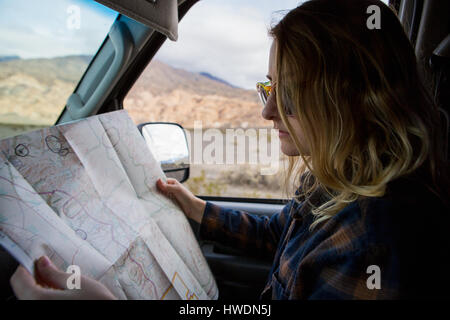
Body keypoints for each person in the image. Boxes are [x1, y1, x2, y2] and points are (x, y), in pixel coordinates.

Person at [10, 0, 449, 299]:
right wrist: (195, 206)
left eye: (292, 96)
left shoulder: (378, 245)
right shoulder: (338, 179)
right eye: (269, 88)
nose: (269, 112)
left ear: (355, 100)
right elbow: (278, 236)